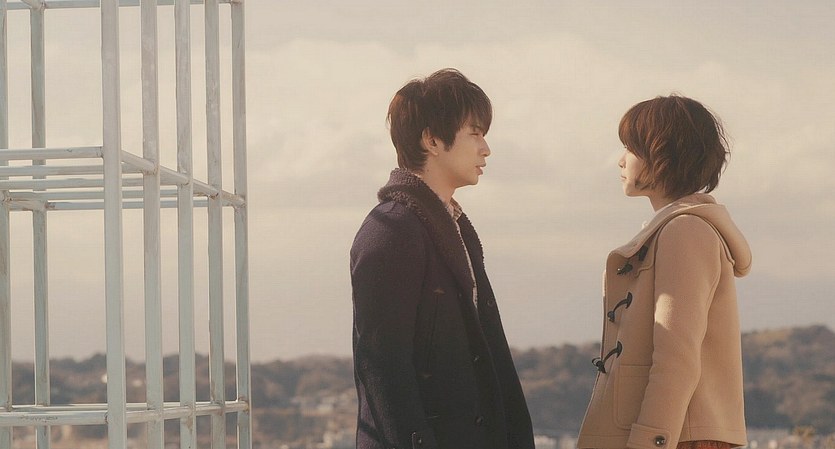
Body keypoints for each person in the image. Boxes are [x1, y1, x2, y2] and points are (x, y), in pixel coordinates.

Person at [350, 68, 535, 449]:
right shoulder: (391, 230)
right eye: (475, 133)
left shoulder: (454, 226)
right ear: (432, 140)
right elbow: (383, 370)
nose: (486, 148)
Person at [577, 95, 753, 449]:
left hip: (676, 437)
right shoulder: (675, 229)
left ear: (664, 156)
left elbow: (677, 357)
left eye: (631, 148)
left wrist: (650, 441)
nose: (621, 160)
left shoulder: (684, 231)